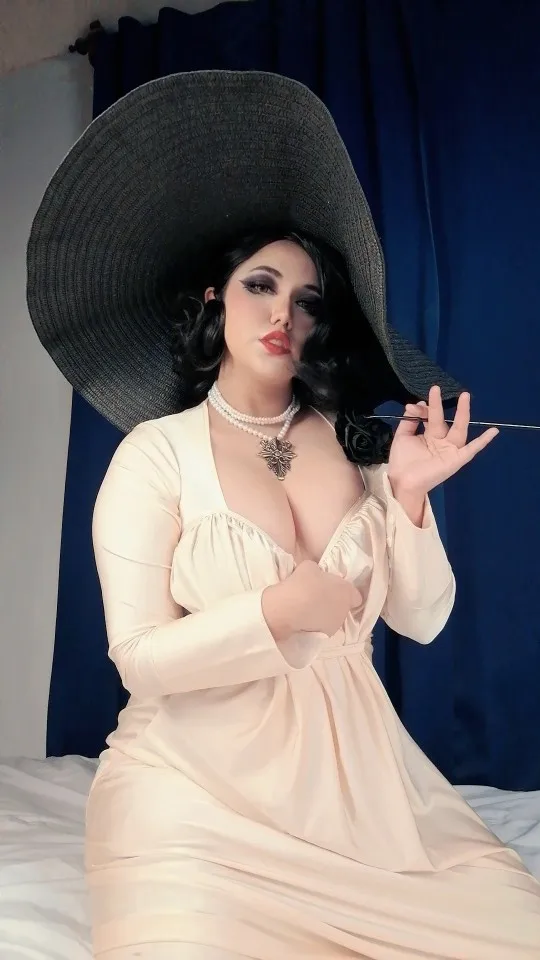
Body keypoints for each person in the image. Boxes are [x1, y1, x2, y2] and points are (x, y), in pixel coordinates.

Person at [27, 71, 540, 959]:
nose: (282, 316)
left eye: (307, 303)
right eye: (260, 286)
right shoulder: (156, 455)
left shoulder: (359, 445)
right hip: (193, 798)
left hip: (364, 800)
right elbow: (139, 658)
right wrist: (273, 612)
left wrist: (409, 497)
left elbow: (421, 621)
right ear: (212, 299)